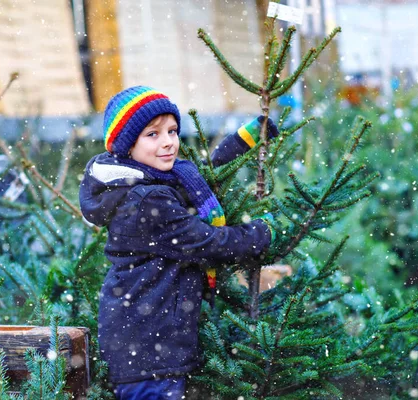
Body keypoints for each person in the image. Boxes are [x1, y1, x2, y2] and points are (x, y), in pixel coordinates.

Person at [79, 86, 279, 399]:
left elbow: (198, 176)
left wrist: (241, 143)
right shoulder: (148, 200)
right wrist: (262, 234)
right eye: (152, 134)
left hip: (145, 344)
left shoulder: (147, 181)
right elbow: (208, 243)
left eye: (172, 130)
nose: (168, 142)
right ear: (126, 145)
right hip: (149, 352)